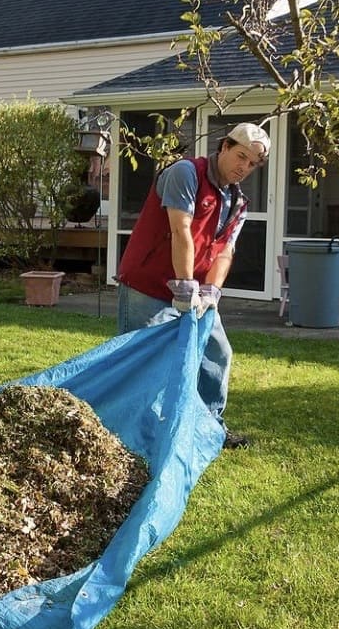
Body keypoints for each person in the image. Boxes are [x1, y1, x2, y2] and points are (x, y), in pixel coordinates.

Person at [115, 122, 270, 449]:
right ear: (224, 147)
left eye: (252, 163)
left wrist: (211, 291)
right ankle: (131, 435)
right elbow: (181, 231)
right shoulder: (186, 173)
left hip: (196, 291)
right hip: (149, 284)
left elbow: (225, 251)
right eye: (240, 156)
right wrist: (185, 286)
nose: (244, 167)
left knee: (217, 352)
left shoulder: (238, 202)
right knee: (141, 360)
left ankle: (209, 426)